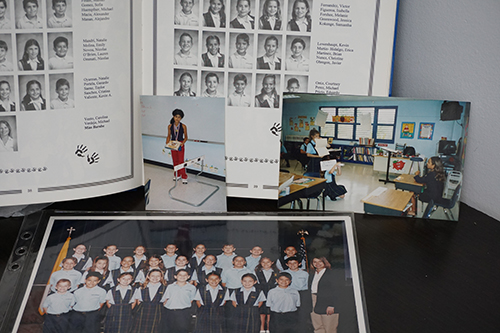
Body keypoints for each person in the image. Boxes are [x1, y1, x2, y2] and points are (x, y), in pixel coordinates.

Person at [308, 256, 345, 333]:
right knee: (317, 327)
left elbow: (337, 290)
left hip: (328, 302)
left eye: (320, 261)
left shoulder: (332, 273)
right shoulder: (311, 274)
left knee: (329, 328)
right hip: (313, 300)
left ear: (325, 262)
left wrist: (332, 305)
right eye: (315, 262)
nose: (317, 264)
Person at [161, 269, 197, 333]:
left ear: (188, 277)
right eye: (180, 275)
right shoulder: (170, 286)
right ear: (175, 276)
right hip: (170, 311)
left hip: (183, 312)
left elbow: (191, 299)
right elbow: (166, 298)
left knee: (182, 329)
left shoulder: (192, 288)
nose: (182, 276)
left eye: (185, 275)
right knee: (169, 329)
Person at [254, 257, 279, 332]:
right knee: (261, 312)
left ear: (272, 262)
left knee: (269, 312)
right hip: (261, 293)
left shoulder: (276, 272)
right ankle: (261, 329)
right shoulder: (257, 272)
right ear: (260, 263)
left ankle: (268, 328)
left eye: (268, 262)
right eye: (263, 262)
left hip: (272, 294)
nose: (265, 264)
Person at [166, 109, 189, 183]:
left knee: (181, 161)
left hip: (180, 144)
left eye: (179, 117)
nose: (177, 118)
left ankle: (184, 176)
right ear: (173, 117)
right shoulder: (170, 126)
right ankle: (177, 175)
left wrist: (183, 143)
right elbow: (168, 136)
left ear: (181, 118)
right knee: (175, 160)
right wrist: (167, 143)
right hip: (173, 144)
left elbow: (186, 137)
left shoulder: (183, 126)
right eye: (176, 116)